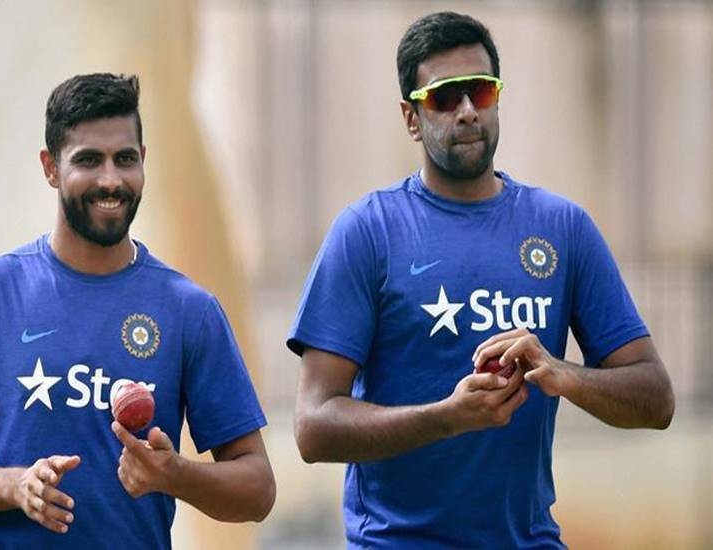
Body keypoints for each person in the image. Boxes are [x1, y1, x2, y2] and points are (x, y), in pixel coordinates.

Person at [288, 11, 674, 549]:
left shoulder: (562, 227)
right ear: (412, 118)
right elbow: (313, 427)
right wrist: (447, 418)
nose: (468, 111)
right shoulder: (368, 232)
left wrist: (563, 374)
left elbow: (656, 399)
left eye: (482, 91)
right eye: (445, 97)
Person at [0, 73, 275, 548]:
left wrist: (174, 474)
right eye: (88, 160)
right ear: (50, 167)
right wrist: (14, 485)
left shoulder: (189, 310)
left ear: (143, 160)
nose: (111, 180)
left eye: (125, 159)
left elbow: (258, 490)